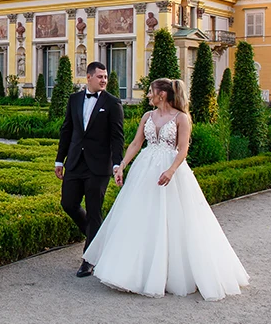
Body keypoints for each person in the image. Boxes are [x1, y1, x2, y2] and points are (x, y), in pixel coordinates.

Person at [84, 78, 249, 300]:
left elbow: (183, 149)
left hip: (171, 170)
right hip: (145, 169)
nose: (148, 95)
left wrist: (171, 171)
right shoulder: (147, 116)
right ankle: (132, 271)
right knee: (140, 217)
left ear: (161, 94)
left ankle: (170, 272)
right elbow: (136, 143)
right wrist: (121, 165)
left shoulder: (181, 118)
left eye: (150, 92)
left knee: (174, 220)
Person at [55, 61, 125, 278]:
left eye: (105, 77)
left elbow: (117, 137)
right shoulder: (75, 99)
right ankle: (97, 238)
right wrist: (59, 160)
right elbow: (67, 130)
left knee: (94, 211)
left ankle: (89, 260)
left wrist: (117, 164)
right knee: (68, 203)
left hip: (99, 165)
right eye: (100, 77)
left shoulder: (113, 103)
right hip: (75, 161)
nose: (104, 80)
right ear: (88, 77)